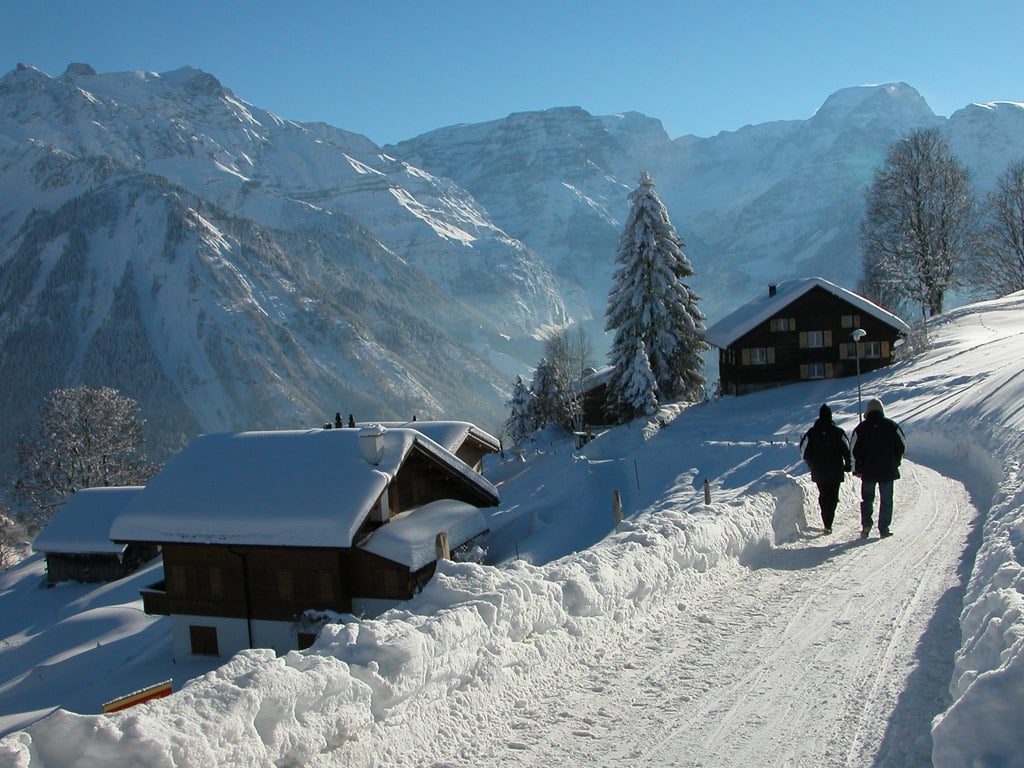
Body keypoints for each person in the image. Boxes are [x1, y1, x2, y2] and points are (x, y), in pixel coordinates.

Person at [851, 398, 906, 539]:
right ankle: (884, 528)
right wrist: (896, 462)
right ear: (881, 410)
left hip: (868, 471)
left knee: (867, 499)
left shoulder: (861, 429)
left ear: (868, 411)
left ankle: (866, 526)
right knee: (886, 499)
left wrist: (856, 468)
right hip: (887, 469)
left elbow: (853, 450)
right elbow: (902, 445)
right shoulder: (892, 426)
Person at [800, 403, 852, 534]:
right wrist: (848, 465)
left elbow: (803, 451)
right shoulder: (838, 432)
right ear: (830, 416)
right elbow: (847, 450)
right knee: (833, 496)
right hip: (836, 470)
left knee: (823, 495)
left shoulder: (811, 433)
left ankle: (826, 521)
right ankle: (829, 521)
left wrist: (810, 463)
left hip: (818, 470)